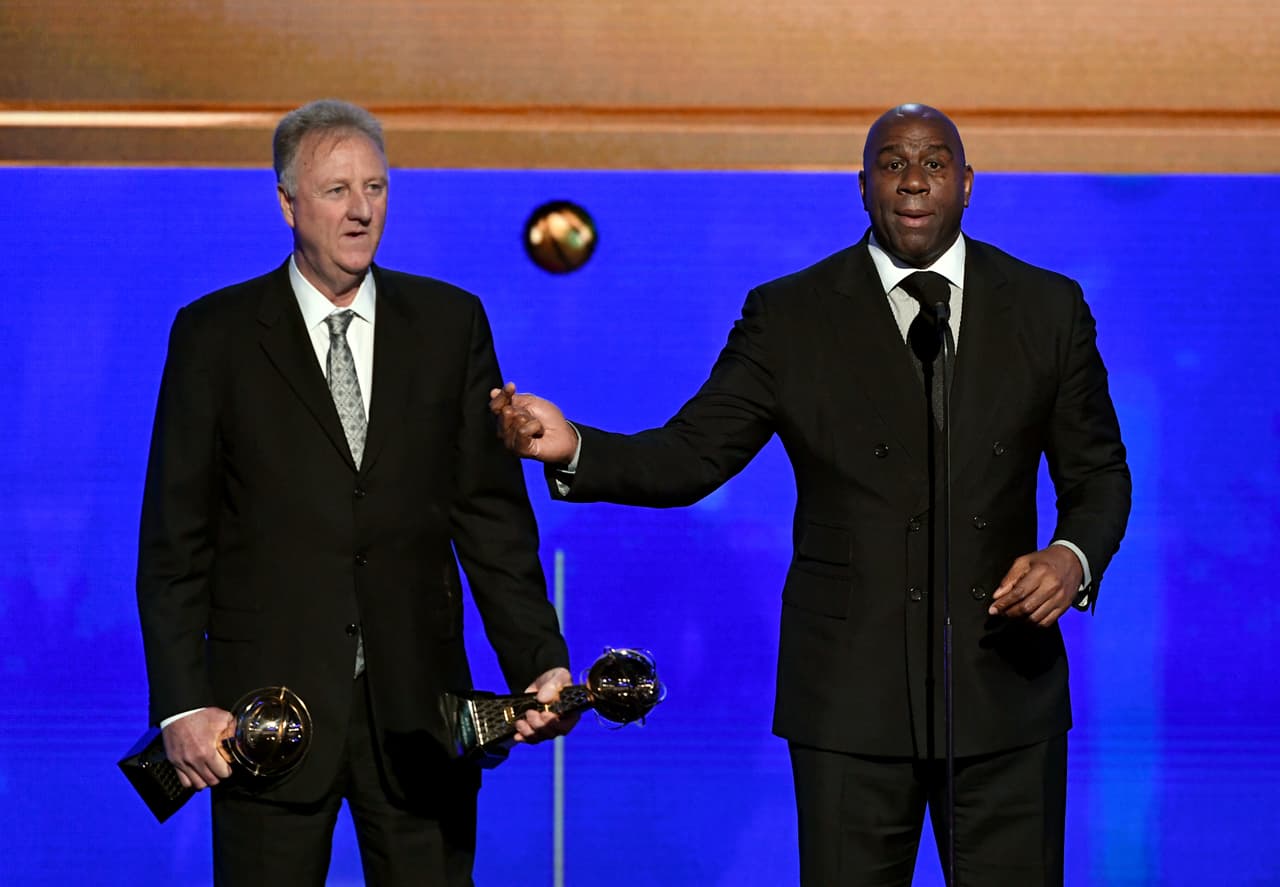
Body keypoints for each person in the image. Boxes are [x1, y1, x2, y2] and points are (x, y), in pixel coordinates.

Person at [490, 103, 1131, 886]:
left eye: (935, 163)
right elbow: (691, 455)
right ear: (862, 187)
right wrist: (574, 446)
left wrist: (1072, 557)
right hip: (849, 702)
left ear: (968, 184)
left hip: (1003, 692)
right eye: (892, 164)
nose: (914, 180)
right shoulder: (790, 314)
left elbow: (1099, 474)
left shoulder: (1046, 307)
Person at [136, 98, 576, 886]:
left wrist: (539, 659)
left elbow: (491, 520)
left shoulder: (449, 324)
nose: (361, 210)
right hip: (264, 716)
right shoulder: (214, 335)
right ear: (287, 204)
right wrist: (181, 704)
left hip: (421, 718)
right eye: (336, 190)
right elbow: (176, 540)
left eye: (375, 188)